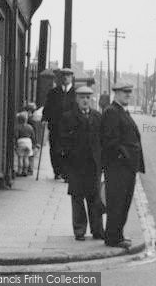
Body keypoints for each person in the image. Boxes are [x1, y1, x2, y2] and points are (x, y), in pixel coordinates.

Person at [101, 83, 145, 249]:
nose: (128, 95)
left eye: (129, 92)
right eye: (124, 92)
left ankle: (117, 235)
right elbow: (110, 141)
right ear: (116, 94)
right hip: (118, 167)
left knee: (123, 202)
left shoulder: (120, 111)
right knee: (117, 203)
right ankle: (112, 237)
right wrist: (122, 157)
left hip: (126, 167)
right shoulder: (112, 112)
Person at [60, 85, 104, 241]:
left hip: (93, 165)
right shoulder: (68, 117)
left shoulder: (98, 117)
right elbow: (63, 142)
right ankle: (79, 230)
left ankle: (97, 230)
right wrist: (65, 166)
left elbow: (102, 142)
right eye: (82, 98)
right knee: (77, 198)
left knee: (95, 198)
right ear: (76, 100)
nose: (85, 101)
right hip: (76, 165)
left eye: (87, 97)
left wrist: (102, 163)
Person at [42, 68, 76, 179]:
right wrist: (45, 117)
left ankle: (66, 172)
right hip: (55, 126)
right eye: (63, 75)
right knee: (54, 149)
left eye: (68, 75)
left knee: (68, 149)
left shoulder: (75, 93)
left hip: (70, 128)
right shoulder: (54, 92)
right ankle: (57, 171)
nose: (65, 77)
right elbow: (47, 107)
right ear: (60, 77)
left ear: (72, 77)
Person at [15, 111, 36, 177]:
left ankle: (19, 171)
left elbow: (16, 136)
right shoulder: (30, 127)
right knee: (26, 157)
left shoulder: (18, 127)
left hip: (21, 141)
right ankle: (25, 171)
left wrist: (15, 144)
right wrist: (33, 145)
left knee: (20, 157)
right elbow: (33, 136)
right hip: (28, 142)